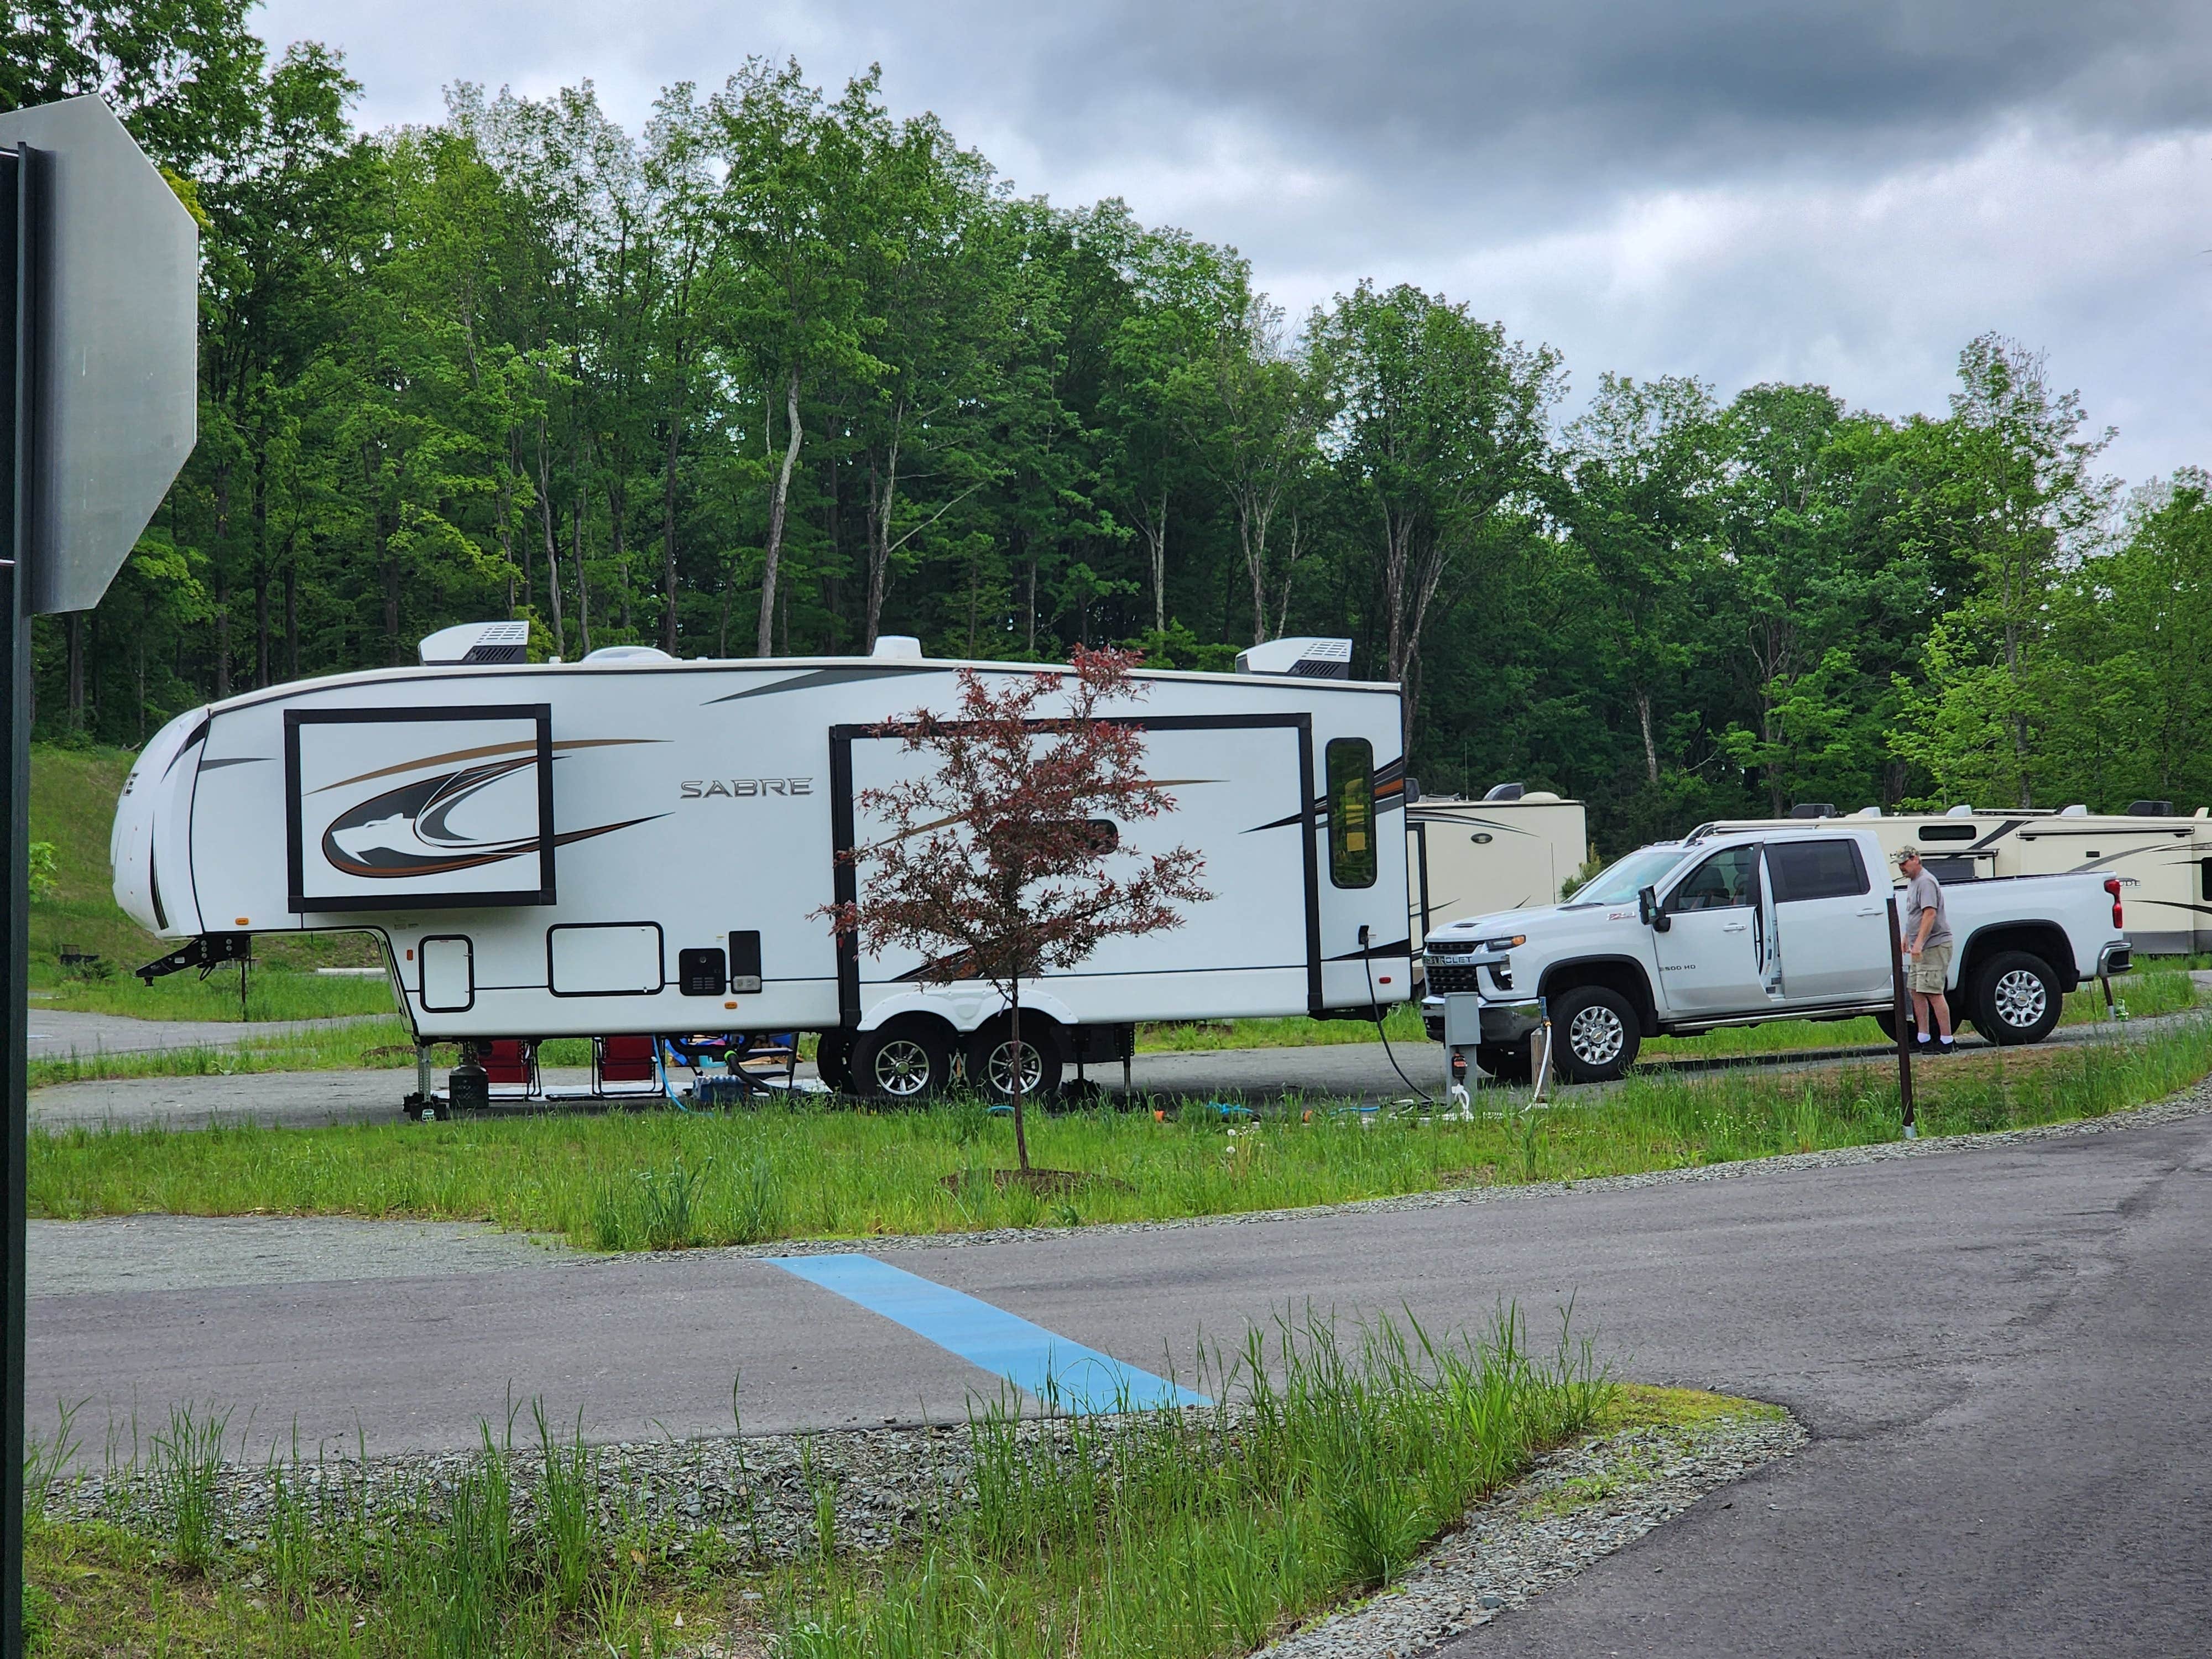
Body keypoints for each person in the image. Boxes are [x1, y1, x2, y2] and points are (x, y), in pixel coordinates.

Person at [1895, 846, 1955, 1055]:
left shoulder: (1926, 882)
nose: (1902, 867)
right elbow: (1915, 915)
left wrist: (1919, 943)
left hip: (1934, 945)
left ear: (1916, 859)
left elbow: (1929, 914)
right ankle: (1924, 1038)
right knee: (1916, 990)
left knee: (1932, 991)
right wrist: (1907, 938)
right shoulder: (1913, 883)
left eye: (1905, 863)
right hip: (1920, 947)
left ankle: (1947, 1040)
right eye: (1900, 864)